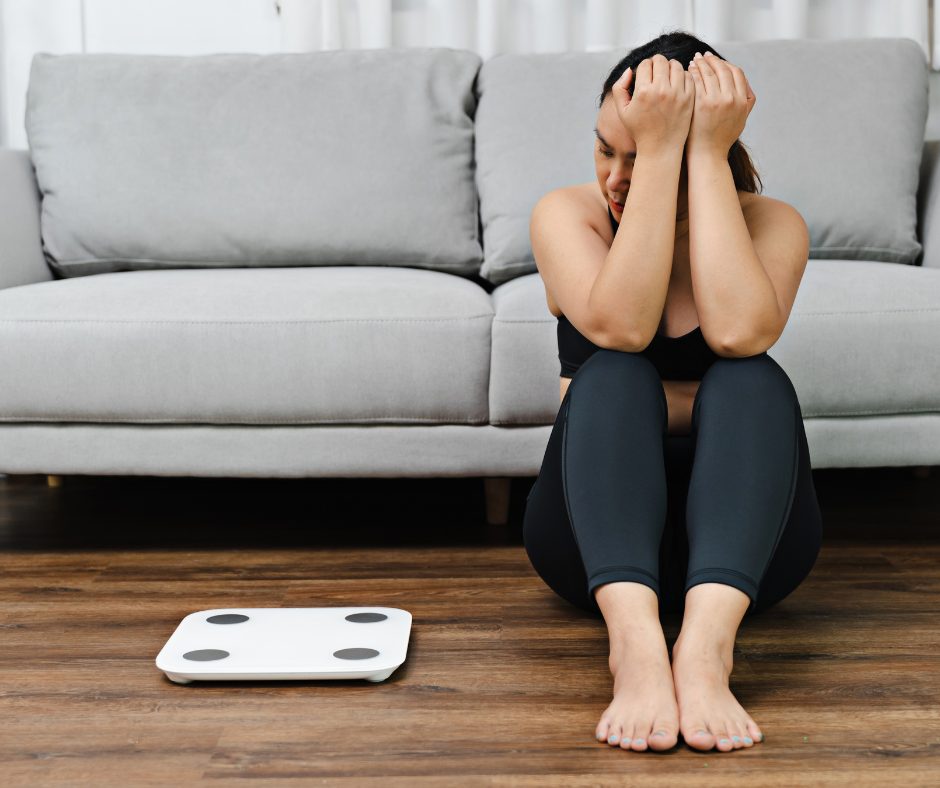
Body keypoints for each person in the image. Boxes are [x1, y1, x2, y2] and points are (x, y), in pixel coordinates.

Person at [522, 31, 823, 755]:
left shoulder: (772, 224)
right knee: (615, 376)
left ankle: (706, 651)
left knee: (752, 378)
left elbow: (740, 333)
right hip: (593, 542)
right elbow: (621, 330)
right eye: (607, 150)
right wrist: (660, 156)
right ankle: (635, 650)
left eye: (643, 153)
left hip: (750, 553)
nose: (617, 179)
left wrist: (703, 155)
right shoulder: (569, 217)